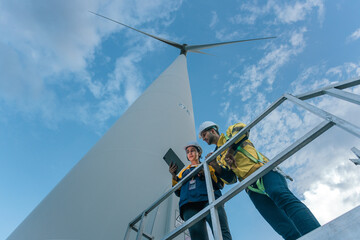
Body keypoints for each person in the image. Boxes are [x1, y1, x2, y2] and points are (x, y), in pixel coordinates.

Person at [198, 121, 320, 240]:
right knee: (277, 221)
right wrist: (216, 166)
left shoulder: (230, 132)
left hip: (264, 171)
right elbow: (231, 178)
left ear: (213, 130)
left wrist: (230, 150)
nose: (203, 138)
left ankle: (317, 235)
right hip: (250, 186)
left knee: (281, 196)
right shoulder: (217, 155)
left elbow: (243, 129)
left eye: (204, 135)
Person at [169, 141, 232, 240]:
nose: (190, 153)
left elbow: (219, 183)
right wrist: (173, 176)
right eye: (188, 152)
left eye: (193, 151)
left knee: (221, 232)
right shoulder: (183, 172)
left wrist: (205, 173)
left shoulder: (208, 165)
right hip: (189, 205)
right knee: (197, 237)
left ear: (199, 153)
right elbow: (177, 191)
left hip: (209, 200)